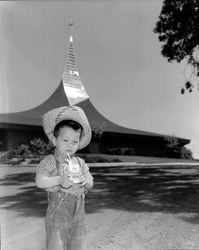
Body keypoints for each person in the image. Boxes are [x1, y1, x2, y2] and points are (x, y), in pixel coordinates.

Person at [35, 106, 94, 250]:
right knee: (56, 244)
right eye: (65, 140)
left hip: (79, 215)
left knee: (79, 244)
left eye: (74, 142)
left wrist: (86, 182)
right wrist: (59, 180)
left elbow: (91, 183)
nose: (70, 145)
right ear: (55, 140)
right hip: (57, 214)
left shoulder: (80, 163)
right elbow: (39, 181)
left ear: (79, 143)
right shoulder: (49, 161)